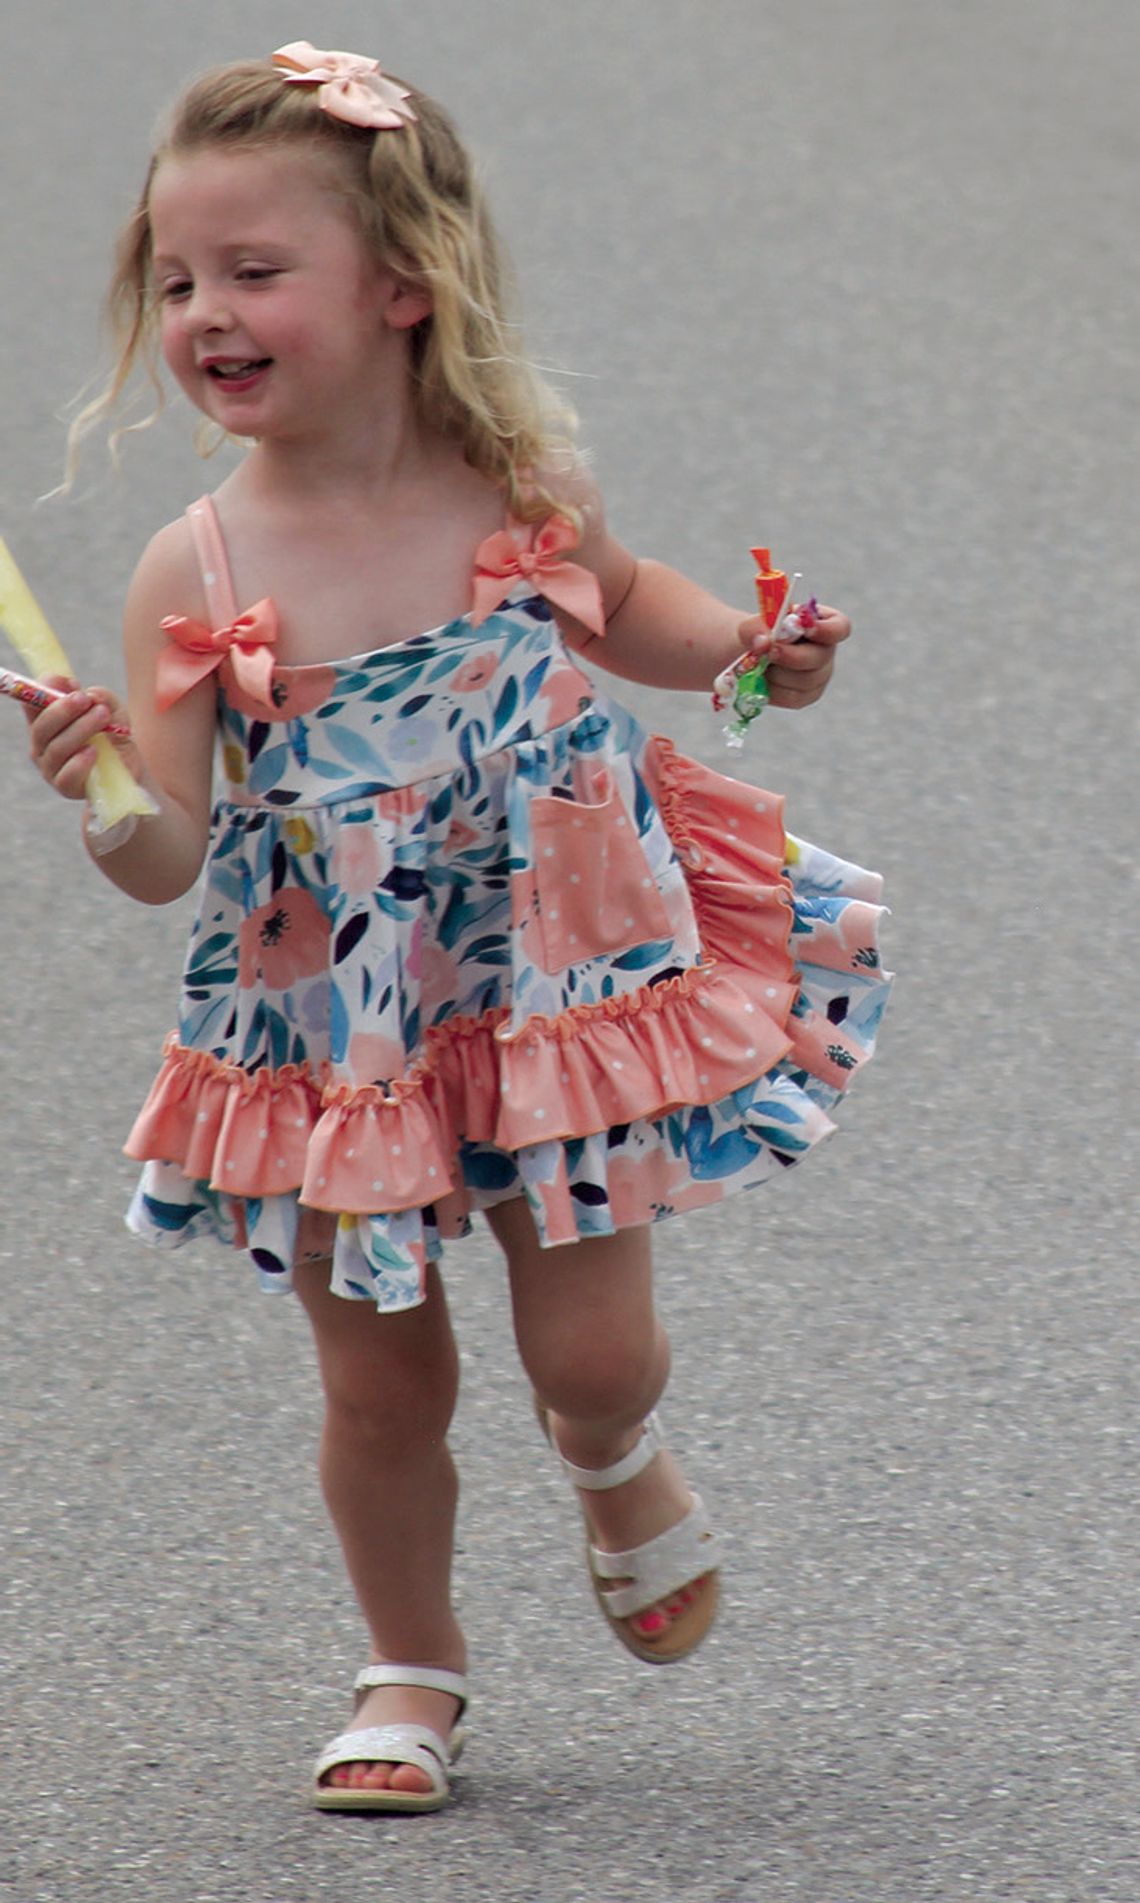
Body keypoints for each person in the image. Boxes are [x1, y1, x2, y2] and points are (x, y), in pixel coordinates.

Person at [26, 43, 890, 1813]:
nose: (206, 313)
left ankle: (611, 1447)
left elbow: (635, 611)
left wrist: (752, 652)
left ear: (403, 283)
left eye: (256, 272)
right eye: (178, 280)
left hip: (557, 986)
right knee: (379, 1377)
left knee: (592, 1345)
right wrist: (103, 787)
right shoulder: (193, 567)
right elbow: (170, 857)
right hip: (341, 1034)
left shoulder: (509, 480)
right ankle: (409, 1669)